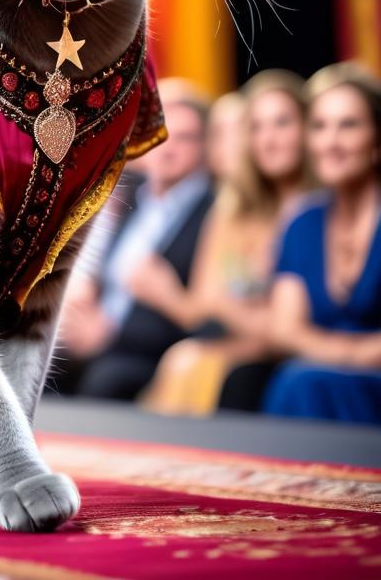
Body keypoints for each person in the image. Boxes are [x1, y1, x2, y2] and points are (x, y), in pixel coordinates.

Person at [141, 71, 313, 414]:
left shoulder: (316, 211)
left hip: (287, 352)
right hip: (239, 342)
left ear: (308, 129)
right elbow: (207, 301)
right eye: (257, 127)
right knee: (184, 360)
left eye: (282, 123)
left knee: (210, 370)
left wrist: (227, 306)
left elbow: (286, 325)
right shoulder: (235, 208)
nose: (269, 139)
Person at [55, 79, 215, 399]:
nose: (168, 147)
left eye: (184, 138)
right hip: (94, 336)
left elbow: (205, 318)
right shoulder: (131, 197)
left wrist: (108, 336)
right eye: (160, 132)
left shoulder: (214, 211)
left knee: (105, 380)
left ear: (204, 147)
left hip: (151, 353)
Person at [260, 63, 381, 423]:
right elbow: (284, 330)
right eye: (320, 126)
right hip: (317, 376)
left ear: (376, 137)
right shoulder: (303, 222)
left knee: (299, 381)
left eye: (349, 125)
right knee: (296, 380)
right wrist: (352, 353)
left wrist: (331, 351)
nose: (331, 143)